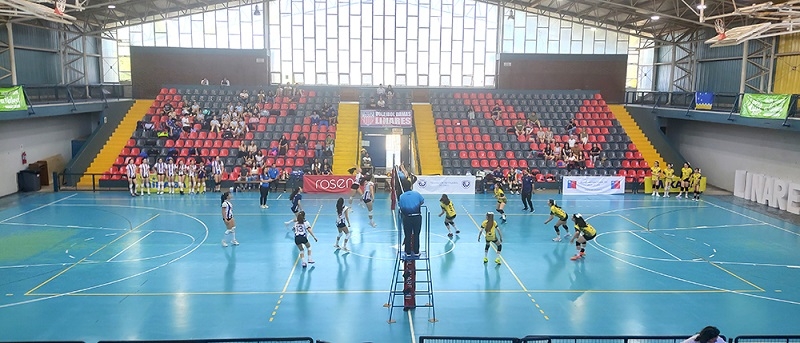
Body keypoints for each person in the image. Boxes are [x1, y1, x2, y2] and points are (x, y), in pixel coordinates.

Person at [398, 178, 424, 257]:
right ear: (411, 186)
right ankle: (416, 251)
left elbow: (401, 206)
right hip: (417, 217)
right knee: (416, 234)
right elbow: (422, 201)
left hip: (407, 218)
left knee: (408, 234)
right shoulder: (417, 194)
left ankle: (408, 252)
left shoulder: (402, 196)